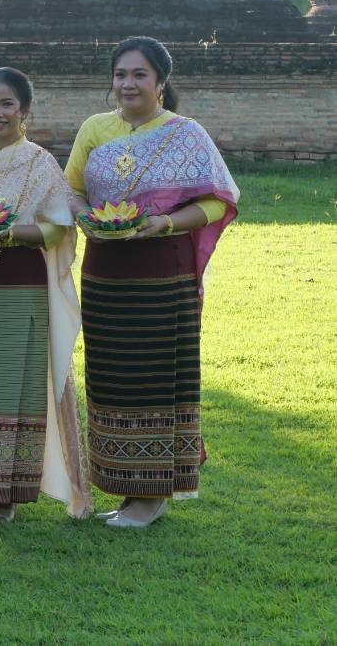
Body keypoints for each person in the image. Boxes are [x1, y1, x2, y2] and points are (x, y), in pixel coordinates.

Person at [66, 36, 238, 529]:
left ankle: (154, 493)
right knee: (113, 379)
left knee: (156, 379)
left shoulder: (185, 134)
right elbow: (71, 188)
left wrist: (162, 223)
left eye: (139, 75)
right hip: (105, 274)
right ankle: (123, 485)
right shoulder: (95, 130)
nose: (128, 84)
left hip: (163, 276)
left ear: (160, 82)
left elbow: (218, 202)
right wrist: (85, 218)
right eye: (121, 74)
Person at [0, 67, 92, 523]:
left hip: (24, 280)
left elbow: (58, 227)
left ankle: (10, 494)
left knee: (19, 386)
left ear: (25, 111)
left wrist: (11, 232)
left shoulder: (40, 162)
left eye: (7, 104)